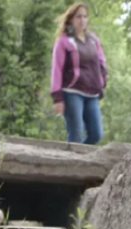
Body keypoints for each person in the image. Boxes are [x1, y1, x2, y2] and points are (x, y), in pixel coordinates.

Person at [50, 2, 107, 144]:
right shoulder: (63, 41)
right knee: (75, 135)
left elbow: (101, 62)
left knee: (96, 134)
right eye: (78, 17)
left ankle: (78, 160)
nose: (82, 20)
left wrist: (102, 80)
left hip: (92, 93)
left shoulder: (93, 40)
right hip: (72, 93)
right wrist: (57, 98)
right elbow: (56, 70)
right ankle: (73, 163)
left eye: (85, 17)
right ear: (71, 19)